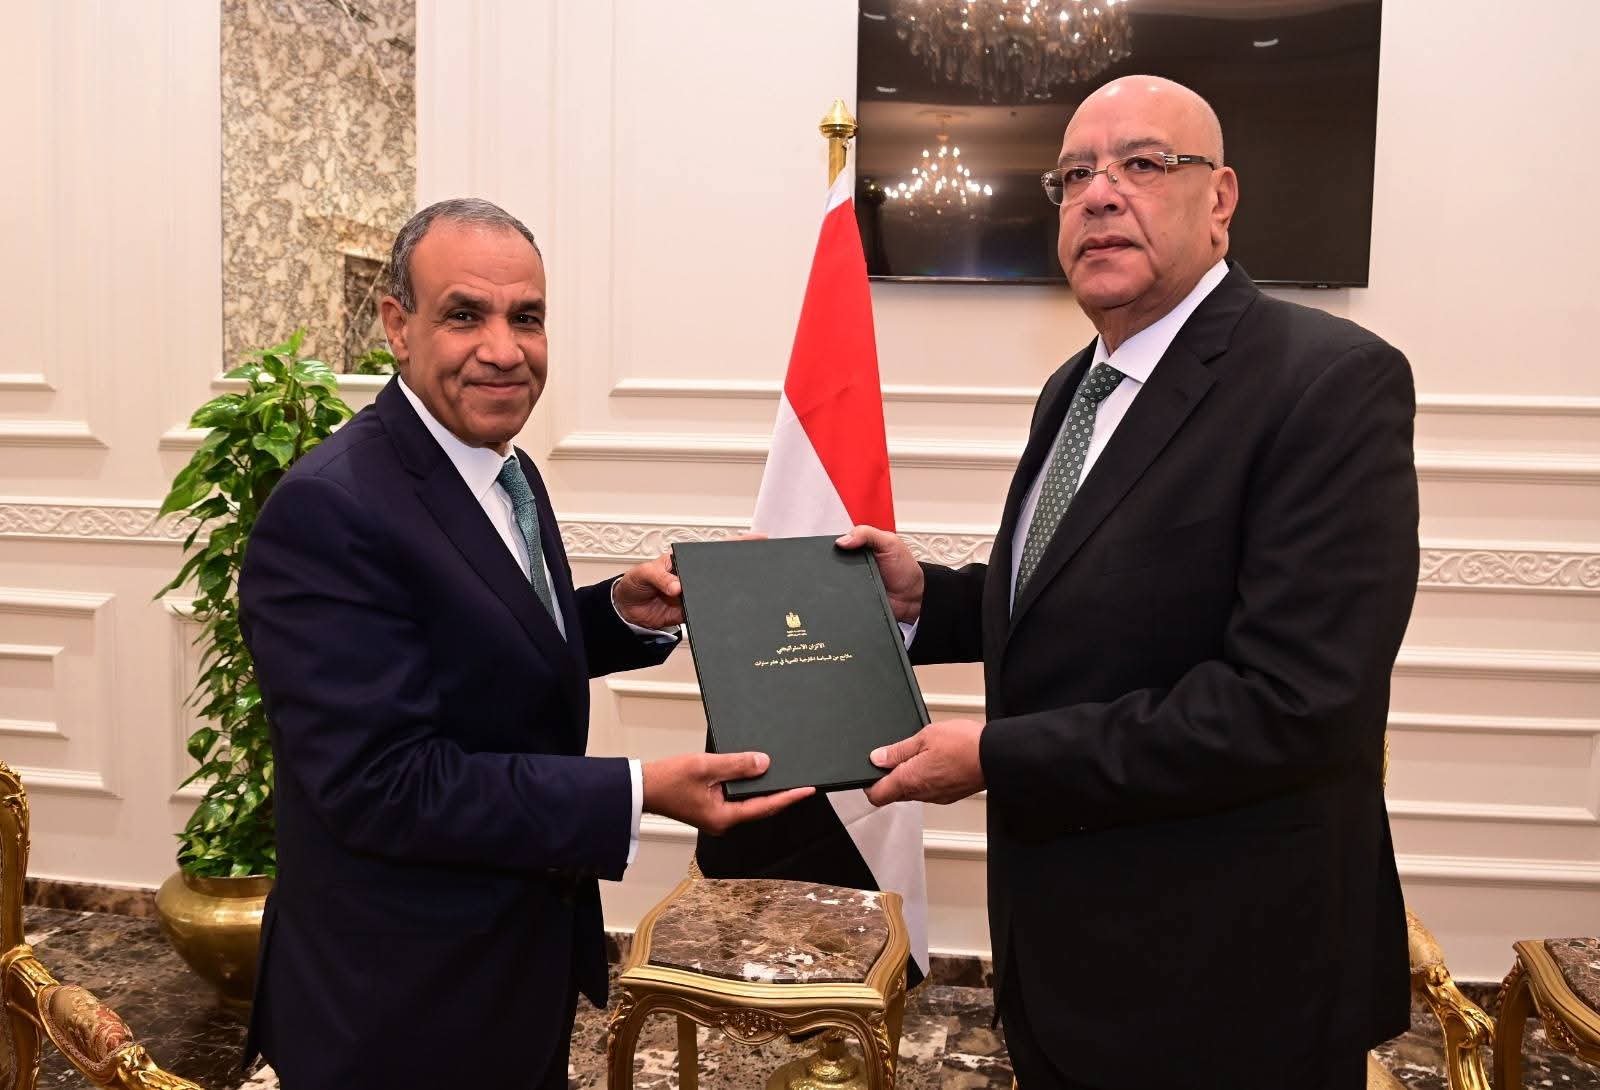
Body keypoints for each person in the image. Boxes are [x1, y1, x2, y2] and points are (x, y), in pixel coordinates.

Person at [843, 76, 1418, 1089]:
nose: (1099, 193)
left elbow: (1293, 705)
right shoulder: (1076, 384)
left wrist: (996, 754)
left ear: (1221, 198)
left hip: (1230, 983)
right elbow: (1084, 599)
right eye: (1073, 176)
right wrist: (925, 599)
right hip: (1063, 959)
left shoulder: (1327, 380)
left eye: (1143, 164)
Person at [237, 198, 811, 1090]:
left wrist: (618, 613)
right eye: (465, 315)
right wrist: (639, 790)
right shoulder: (329, 509)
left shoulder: (505, 467)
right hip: (400, 1008)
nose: (504, 350)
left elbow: (482, 648)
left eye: (527, 318)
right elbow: (382, 785)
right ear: (397, 325)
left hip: (514, 966)